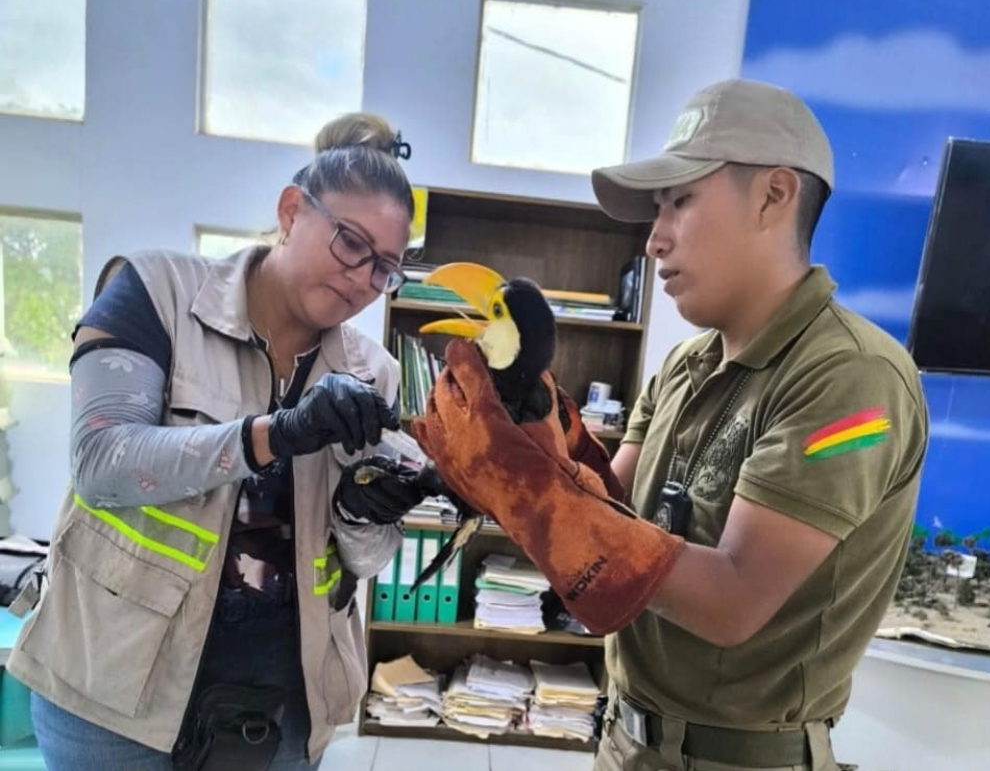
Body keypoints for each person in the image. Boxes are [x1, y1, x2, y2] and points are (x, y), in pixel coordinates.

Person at [414, 79, 929, 771]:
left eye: (680, 202)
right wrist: (529, 422)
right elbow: (608, 511)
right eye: (657, 210)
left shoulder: (855, 380)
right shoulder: (684, 365)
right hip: (625, 740)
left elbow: (732, 600)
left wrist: (531, 492)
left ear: (775, 195)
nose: (654, 239)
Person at [7, 113, 431, 771]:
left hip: (281, 706)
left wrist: (365, 508)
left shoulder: (372, 370)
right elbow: (101, 463)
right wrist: (273, 435)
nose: (360, 279)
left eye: (384, 269)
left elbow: (365, 559)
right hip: (116, 694)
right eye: (350, 243)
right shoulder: (157, 292)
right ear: (292, 210)